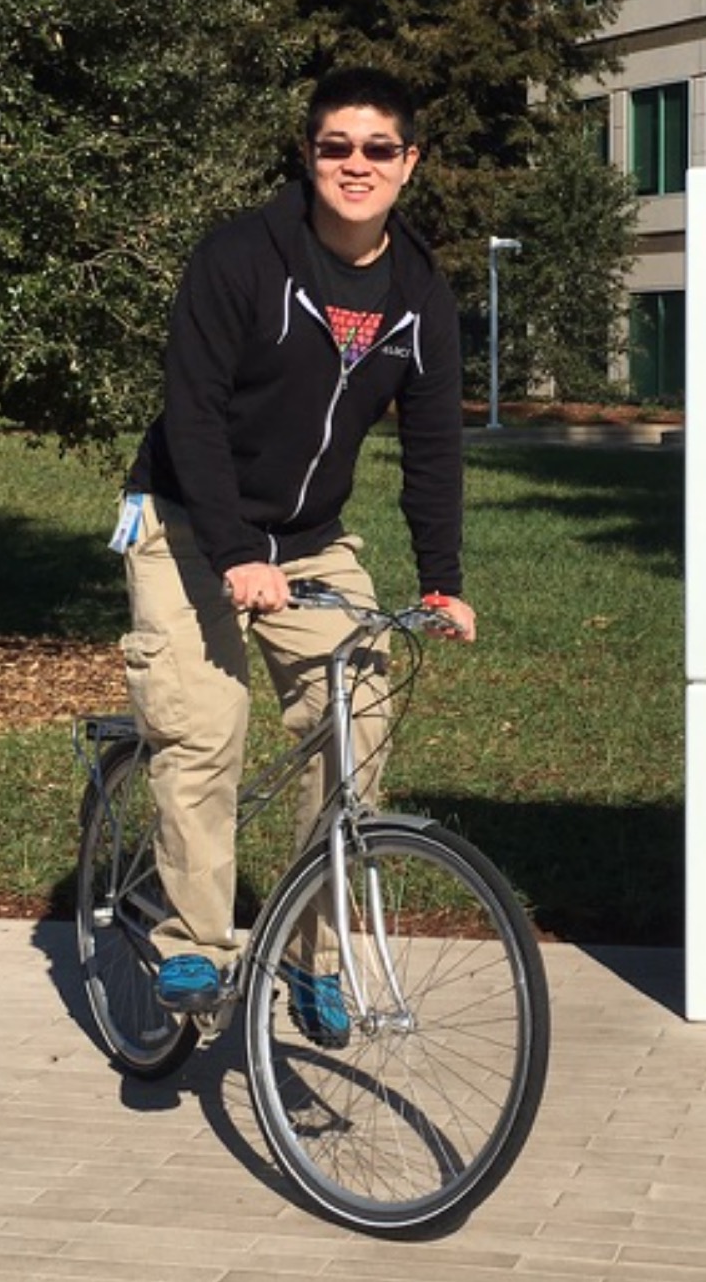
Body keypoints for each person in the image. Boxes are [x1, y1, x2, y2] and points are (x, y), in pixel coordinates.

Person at [113, 65, 476, 1032]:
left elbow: (433, 444)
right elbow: (192, 411)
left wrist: (441, 581)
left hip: (311, 541)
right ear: (309, 156)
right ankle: (192, 946)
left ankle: (314, 957)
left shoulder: (420, 291)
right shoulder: (240, 259)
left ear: (410, 163)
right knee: (206, 726)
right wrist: (233, 552)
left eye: (378, 150)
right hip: (189, 526)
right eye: (335, 147)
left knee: (356, 722)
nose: (356, 165)